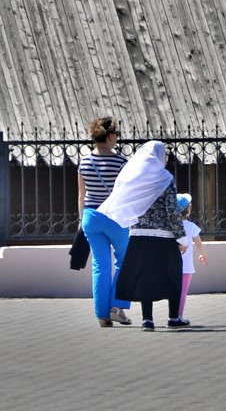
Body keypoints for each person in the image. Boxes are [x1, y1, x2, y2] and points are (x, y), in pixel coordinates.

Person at [99, 140, 188, 331]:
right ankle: (173, 317)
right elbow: (172, 210)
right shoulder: (164, 178)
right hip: (164, 236)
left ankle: (147, 320)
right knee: (172, 274)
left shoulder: (135, 177)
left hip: (139, 235)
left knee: (145, 277)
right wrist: (181, 237)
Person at [77, 115, 132, 327]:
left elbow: (81, 195)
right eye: (116, 134)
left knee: (100, 266)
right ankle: (117, 307)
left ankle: (102, 315)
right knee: (123, 261)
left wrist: (81, 220)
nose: (117, 138)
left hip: (91, 216)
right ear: (109, 137)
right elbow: (125, 193)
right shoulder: (120, 162)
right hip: (115, 216)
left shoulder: (84, 162)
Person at [175, 193, 207, 325]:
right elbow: (198, 243)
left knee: (173, 291)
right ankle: (179, 315)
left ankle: (172, 314)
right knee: (182, 292)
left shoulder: (170, 227)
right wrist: (203, 255)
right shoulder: (191, 226)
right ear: (188, 210)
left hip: (171, 266)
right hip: (186, 267)